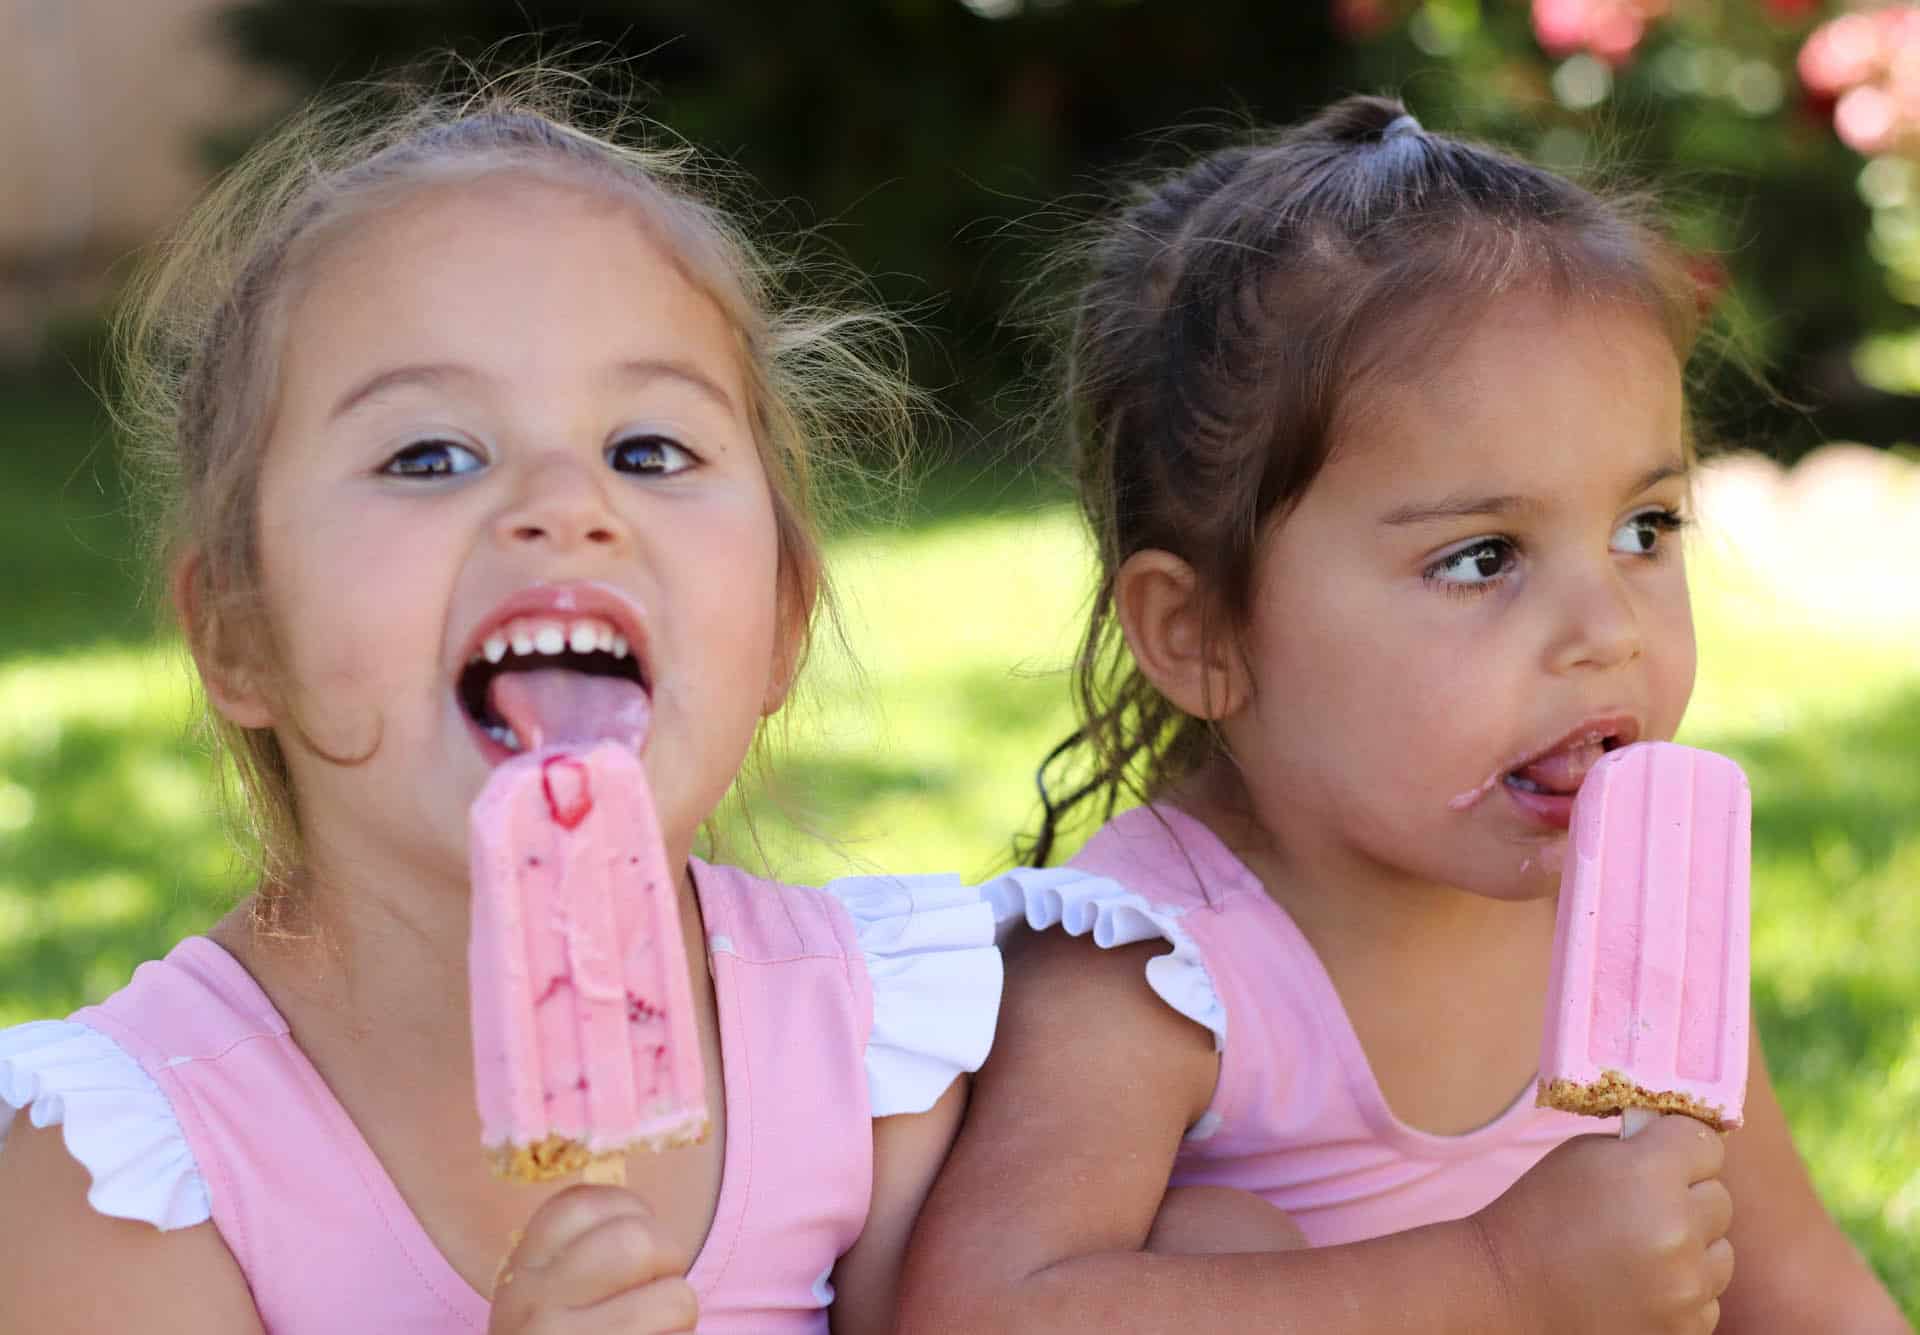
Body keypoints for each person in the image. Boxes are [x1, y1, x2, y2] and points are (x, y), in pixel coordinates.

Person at [0, 66, 1005, 1335]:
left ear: (782, 624)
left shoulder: (875, 1057)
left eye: (648, 450)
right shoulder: (127, 1173)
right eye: (429, 454)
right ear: (240, 634)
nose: (563, 502)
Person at [899, 95, 1910, 1332]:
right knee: (1217, 1243)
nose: (1610, 628)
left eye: (1644, 530)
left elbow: (1803, 1294)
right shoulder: (1157, 972)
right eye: (1483, 557)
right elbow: (977, 1315)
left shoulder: (1641, 933)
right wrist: (1497, 1281)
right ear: (1203, 635)